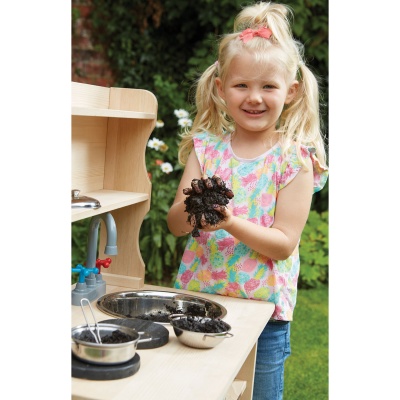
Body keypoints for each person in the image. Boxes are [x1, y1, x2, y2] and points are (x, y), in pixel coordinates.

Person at [167, 2, 328, 399]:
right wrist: (196, 213)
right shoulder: (206, 150)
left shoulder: (294, 160)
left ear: (290, 92)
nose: (254, 98)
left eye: (268, 86)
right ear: (221, 89)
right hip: (199, 300)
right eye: (242, 85)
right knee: (192, 390)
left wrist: (229, 222)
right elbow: (174, 224)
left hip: (263, 313)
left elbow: (283, 242)